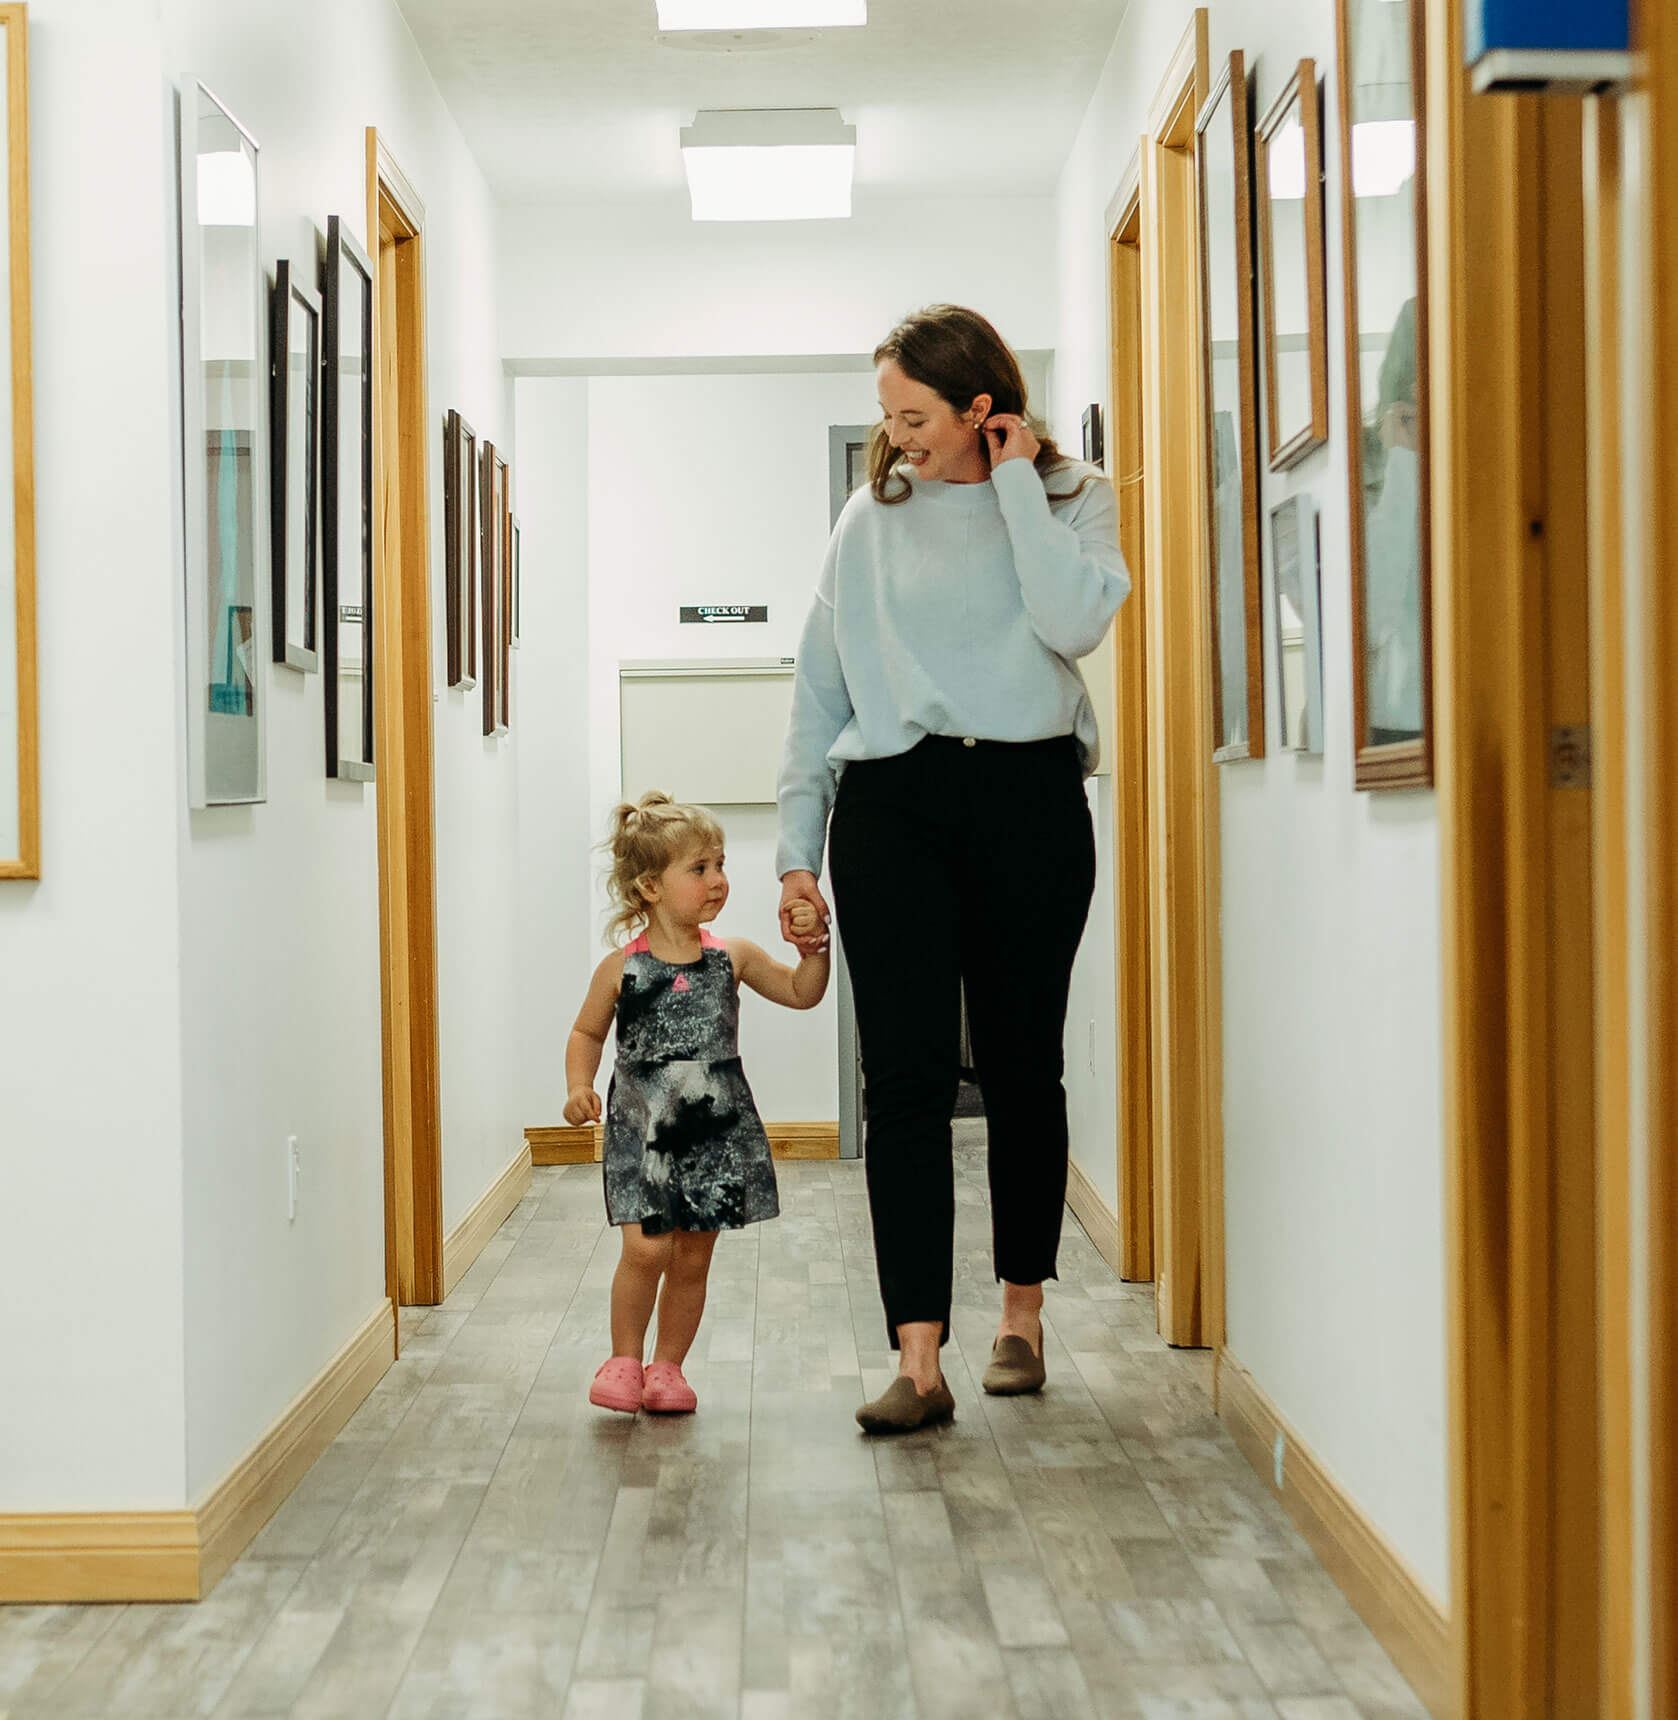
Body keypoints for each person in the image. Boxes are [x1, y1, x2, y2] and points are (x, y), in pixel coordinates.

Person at [775, 304, 1130, 1434]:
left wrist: (1018, 481)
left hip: (1028, 799)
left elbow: (1072, 624)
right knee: (906, 1084)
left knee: (1024, 1069)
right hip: (894, 807)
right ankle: (916, 1356)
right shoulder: (867, 519)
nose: (896, 438)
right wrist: (795, 852)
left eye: (914, 415)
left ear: (985, 408)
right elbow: (815, 694)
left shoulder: (1076, 500)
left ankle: (1019, 1317)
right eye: (887, 415)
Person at [565, 791, 830, 1415]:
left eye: (720, 865)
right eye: (700, 869)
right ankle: (624, 1360)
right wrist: (578, 1086)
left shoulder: (730, 957)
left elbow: (800, 993)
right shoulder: (619, 970)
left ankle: (668, 1370)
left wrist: (812, 952)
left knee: (692, 1256)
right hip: (643, 1130)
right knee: (647, 1248)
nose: (718, 880)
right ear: (650, 887)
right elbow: (587, 1034)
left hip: (714, 1132)